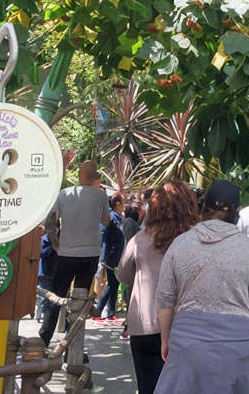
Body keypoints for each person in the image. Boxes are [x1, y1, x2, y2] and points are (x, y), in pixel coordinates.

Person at [153, 180, 249, 393]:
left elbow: (165, 301)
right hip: (238, 353)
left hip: (189, 350)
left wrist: (166, 339)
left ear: (204, 207)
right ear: (234, 210)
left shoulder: (179, 245)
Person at [117, 180, 199, 394]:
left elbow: (123, 275)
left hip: (145, 326)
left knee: (147, 387)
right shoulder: (197, 240)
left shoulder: (139, 240)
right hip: (187, 327)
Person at [39, 160, 115, 347]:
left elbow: (50, 222)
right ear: (94, 176)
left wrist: (56, 244)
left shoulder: (64, 194)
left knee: (56, 297)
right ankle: (73, 346)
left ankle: (43, 341)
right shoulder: (100, 196)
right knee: (80, 301)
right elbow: (106, 221)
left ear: (80, 175)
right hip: (90, 254)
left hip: (66, 253)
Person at [95, 192, 127, 320]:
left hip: (117, 256)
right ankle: (98, 311)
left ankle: (111, 312)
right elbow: (103, 234)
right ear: (117, 204)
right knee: (112, 283)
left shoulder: (119, 217)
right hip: (110, 255)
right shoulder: (111, 217)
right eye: (123, 202)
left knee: (114, 283)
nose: (125, 205)